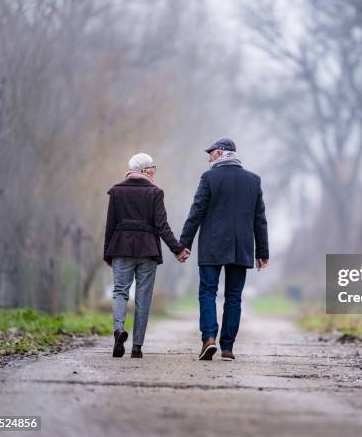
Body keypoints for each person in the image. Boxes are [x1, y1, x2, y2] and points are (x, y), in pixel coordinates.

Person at [180, 138, 269, 361]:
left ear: (220, 153)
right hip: (242, 248)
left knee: (208, 292)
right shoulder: (253, 180)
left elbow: (196, 212)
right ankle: (227, 348)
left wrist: (184, 244)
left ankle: (209, 338)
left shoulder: (209, 177)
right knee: (233, 297)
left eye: (210, 154)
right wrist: (262, 252)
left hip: (212, 245)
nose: (209, 158)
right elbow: (260, 220)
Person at [104, 153, 190, 358]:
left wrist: (107, 251)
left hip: (121, 247)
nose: (154, 170)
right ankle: (137, 347)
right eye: (153, 167)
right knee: (143, 297)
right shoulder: (155, 192)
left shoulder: (116, 191)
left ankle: (118, 330)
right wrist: (177, 249)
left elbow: (110, 224)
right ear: (144, 171)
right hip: (147, 249)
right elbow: (161, 225)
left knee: (120, 292)